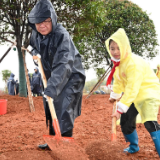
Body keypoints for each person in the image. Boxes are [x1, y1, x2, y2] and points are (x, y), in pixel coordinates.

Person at [28, 0, 86, 149]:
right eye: (38, 22)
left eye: (46, 21)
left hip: (71, 75)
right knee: (50, 105)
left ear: (53, 19)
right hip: (53, 76)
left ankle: (65, 144)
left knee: (64, 107)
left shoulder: (61, 35)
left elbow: (63, 63)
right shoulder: (35, 34)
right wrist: (35, 54)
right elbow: (32, 46)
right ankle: (54, 141)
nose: (42, 25)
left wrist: (52, 87)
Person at [105, 28, 160, 156]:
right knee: (126, 121)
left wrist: (119, 109)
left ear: (125, 47)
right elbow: (118, 82)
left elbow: (132, 88)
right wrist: (115, 96)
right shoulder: (119, 64)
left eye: (119, 48)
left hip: (148, 93)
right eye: (112, 48)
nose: (116, 52)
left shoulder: (133, 63)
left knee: (150, 122)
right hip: (134, 96)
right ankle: (133, 146)